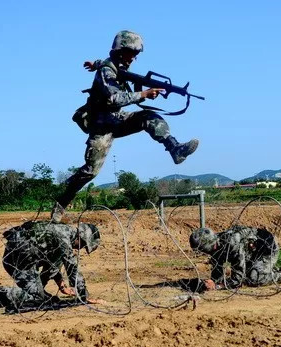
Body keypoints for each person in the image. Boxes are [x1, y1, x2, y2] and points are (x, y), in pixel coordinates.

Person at [51, 30, 199, 222]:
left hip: (119, 120)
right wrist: (143, 95)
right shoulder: (107, 70)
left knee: (149, 117)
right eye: (133, 53)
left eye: (137, 54)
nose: (134, 58)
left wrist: (93, 63)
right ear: (121, 50)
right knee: (90, 171)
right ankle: (60, 203)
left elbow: (106, 65)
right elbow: (113, 98)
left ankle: (175, 148)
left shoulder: (115, 66)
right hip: (101, 127)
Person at [0, 221, 101, 312]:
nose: (80, 249)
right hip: (18, 261)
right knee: (36, 298)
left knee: (47, 298)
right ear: (81, 237)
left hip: (23, 259)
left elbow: (53, 263)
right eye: (83, 245)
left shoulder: (64, 232)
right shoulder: (64, 236)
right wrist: (84, 296)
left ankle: (36, 289)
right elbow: (72, 267)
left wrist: (62, 286)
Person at [189, 225, 281, 290]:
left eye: (201, 249)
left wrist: (217, 286)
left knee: (252, 278)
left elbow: (238, 278)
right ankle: (264, 269)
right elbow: (218, 266)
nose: (202, 252)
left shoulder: (232, 244)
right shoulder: (216, 244)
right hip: (252, 255)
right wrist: (213, 281)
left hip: (268, 251)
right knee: (248, 273)